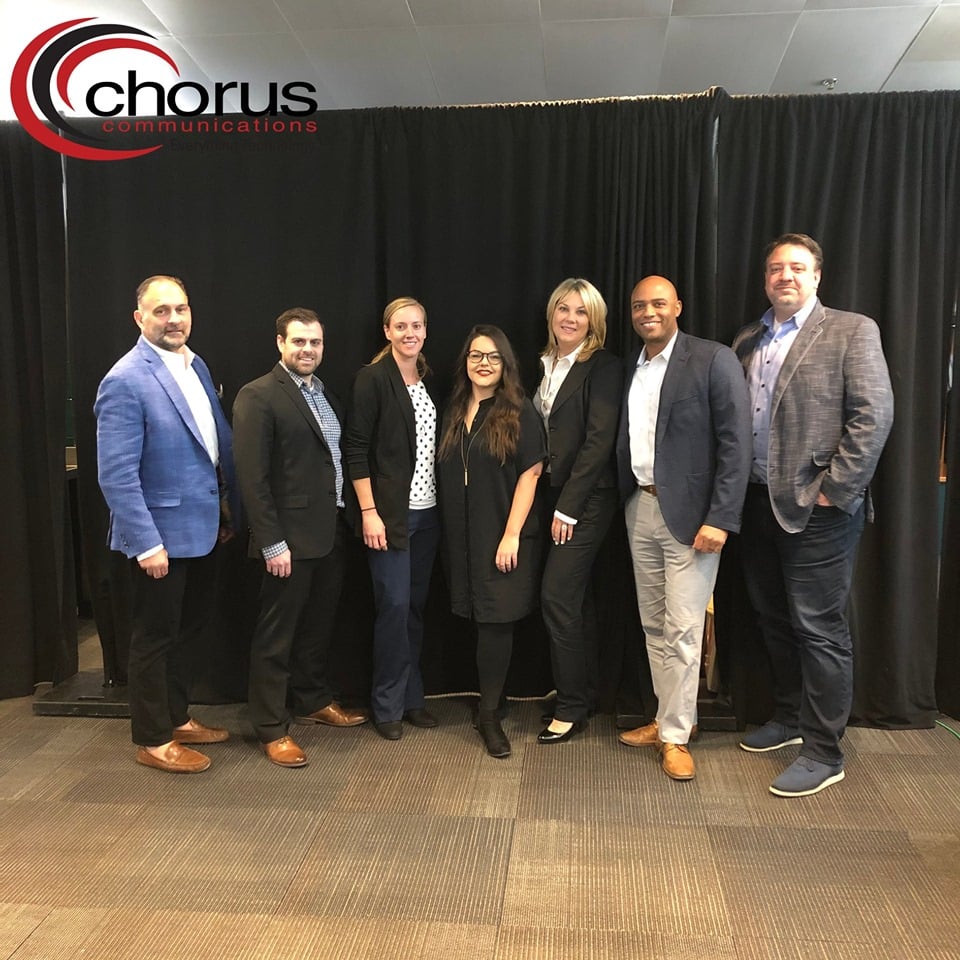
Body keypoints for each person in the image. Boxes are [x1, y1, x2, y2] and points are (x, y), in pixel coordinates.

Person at [733, 233, 894, 797]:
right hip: (755, 504)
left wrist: (834, 491)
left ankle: (825, 751)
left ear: (817, 276)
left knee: (819, 629)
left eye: (797, 268)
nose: (785, 277)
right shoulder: (749, 338)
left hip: (818, 511)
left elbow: (873, 417)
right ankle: (790, 715)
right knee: (773, 619)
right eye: (776, 268)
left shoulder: (852, 330)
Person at [95, 275, 238, 773]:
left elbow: (210, 447)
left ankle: (177, 716)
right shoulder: (125, 379)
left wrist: (224, 511)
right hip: (158, 539)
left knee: (190, 629)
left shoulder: (195, 364)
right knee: (154, 637)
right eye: (161, 311)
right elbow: (115, 474)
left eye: (180, 308)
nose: (173, 318)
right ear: (140, 318)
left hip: (203, 528)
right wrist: (145, 542)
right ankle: (153, 738)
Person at [616, 275, 751, 781]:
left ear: (678, 305)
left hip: (694, 519)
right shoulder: (634, 367)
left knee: (684, 629)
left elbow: (736, 445)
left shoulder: (712, 359)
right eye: (638, 306)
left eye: (657, 303)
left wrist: (721, 517)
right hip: (640, 508)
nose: (647, 312)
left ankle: (675, 735)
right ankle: (669, 717)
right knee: (654, 625)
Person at [232, 308, 368, 769]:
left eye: (315, 342)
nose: (308, 350)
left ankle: (312, 700)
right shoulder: (259, 396)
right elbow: (252, 479)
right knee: (277, 636)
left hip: (330, 533)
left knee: (317, 627)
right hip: (286, 542)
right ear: (280, 343)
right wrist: (272, 543)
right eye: (299, 342)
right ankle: (271, 727)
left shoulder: (324, 393)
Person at [437, 325, 547, 758]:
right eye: (475, 356)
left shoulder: (519, 410)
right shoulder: (454, 408)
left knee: (496, 621)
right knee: (477, 618)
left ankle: (488, 716)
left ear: (505, 365)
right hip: (461, 536)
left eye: (493, 357)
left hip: (503, 533)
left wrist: (512, 534)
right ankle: (492, 699)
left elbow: (531, 473)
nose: (483, 363)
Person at [345, 298, 441, 740]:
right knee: (394, 608)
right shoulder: (373, 378)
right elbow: (356, 449)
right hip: (389, 517)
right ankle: (386, 706)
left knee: (416, 610)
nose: (409, 333)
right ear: (387, 331)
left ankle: (412, 698)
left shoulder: (426, 378)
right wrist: (369, 511)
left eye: (416, 326)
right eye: (400, 326)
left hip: (429, 515)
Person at [534, 279, 623, 745]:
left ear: (594, 321)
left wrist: (568, 508)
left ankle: (571, 708)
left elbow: (597, 443)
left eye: (581, 312)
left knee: (558, 596)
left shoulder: (602, 367)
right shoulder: (545, 364)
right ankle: (582, 691)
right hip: (552, 493)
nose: (570, 318)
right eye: (563, 308)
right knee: (578, 599)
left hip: (585, 499)